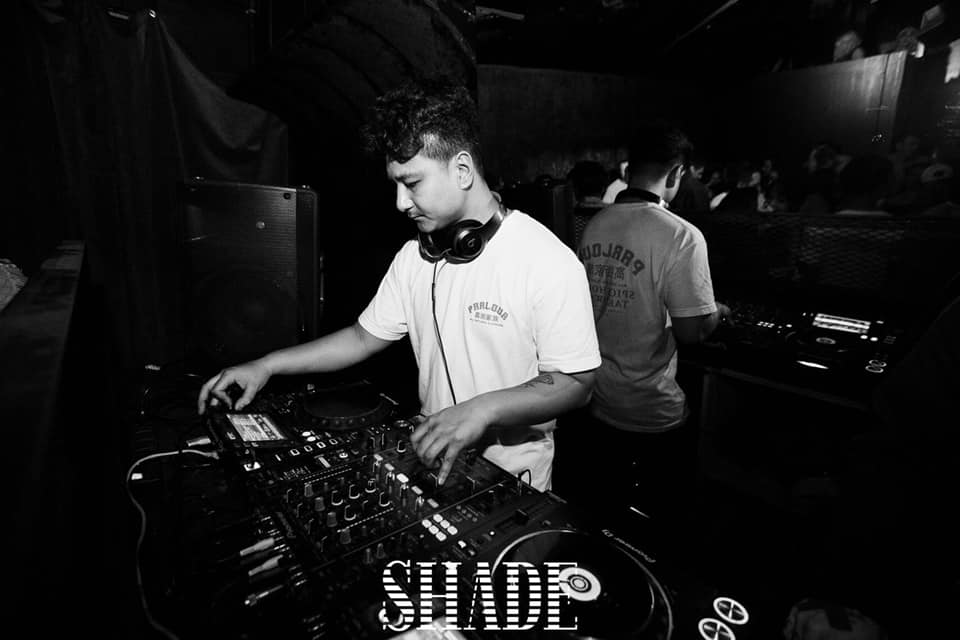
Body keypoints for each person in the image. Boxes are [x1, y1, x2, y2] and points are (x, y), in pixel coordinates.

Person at [197, 78, 600, 491]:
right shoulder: (415, 257)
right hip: (430, 463)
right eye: (395, 185)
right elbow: (360, 339)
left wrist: (483, 409)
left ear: (462, 170)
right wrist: (266, 365)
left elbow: (576, 383)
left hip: (513, 484)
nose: (400, 202)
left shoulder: (547, 261)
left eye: (412, 183)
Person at [571, 122, 729, 524]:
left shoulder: (595, 225)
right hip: (652, 411)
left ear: (629, 169)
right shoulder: (682, 236)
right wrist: (716, 311)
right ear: (676, 173)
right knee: (660, 520)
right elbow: (692, 332)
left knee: (605, 513)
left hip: (598, 401)